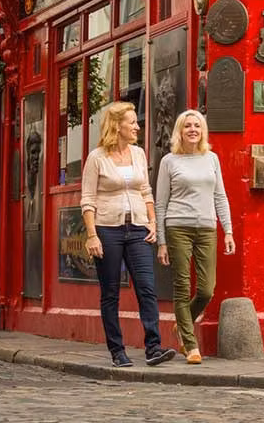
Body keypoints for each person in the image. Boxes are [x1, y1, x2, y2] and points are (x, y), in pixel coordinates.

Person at [81, 101, 176, 368]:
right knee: (110, 292)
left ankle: (153, 347)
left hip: (138, 229)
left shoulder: (138, 154)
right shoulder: (96, 157)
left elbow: (145, 191)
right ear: (117, 126)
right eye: (132, 122)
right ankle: (117, 351)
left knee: (147, 288)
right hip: (107, 230)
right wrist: (91, 235)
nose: (137, 126)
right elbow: (88, 199)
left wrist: (153, 222)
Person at [155, 109, 235, 365]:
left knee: (206, 289)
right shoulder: (169, 161)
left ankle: (182, 323)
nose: (192, 129)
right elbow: (160, 203)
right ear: (180, 131)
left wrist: (228, 230)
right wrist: (162, 241)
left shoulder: (211, 158)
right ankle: (191, 346)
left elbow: (220, 196)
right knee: (182, 286)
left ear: (203, 131)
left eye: (197, 126)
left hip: (206, 228)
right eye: (187, 126)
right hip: (178, 227)